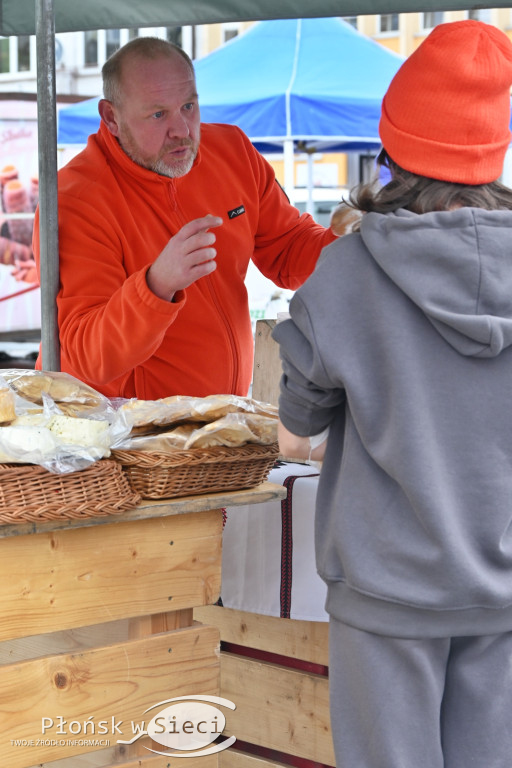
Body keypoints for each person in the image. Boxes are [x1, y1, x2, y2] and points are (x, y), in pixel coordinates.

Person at [273, 20, 512, 768]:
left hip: (386, 591)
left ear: (392, 151)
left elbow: (297, 422)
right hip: (503, 585)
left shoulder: (345, 274)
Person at [32, 37, 335, 400]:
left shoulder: (232, 150)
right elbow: (87, 357)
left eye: (188, 106)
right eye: (158, 114)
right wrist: (156, 285)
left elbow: (288, 251)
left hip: (217, 423)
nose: (182, 130)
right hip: (123, 439)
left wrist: (351, 239)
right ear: (111, 118)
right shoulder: (76, 199)